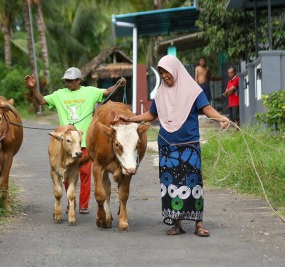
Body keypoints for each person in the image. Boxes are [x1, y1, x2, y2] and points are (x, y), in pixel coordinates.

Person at [114, 55, 230, 237]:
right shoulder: (161, 93)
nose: (164, 76)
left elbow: (207, 109)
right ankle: (177, 223)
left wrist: (221, 119)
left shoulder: (193, 91)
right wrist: (130, 118)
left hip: (189, 145)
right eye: (161, 73)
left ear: (175, 69)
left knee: (193, 184)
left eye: (166, 72)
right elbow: (151, 115)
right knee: (171, 185)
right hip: (168, 147)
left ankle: (198, 223)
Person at [25, 67, 126, 214]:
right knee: (66, 173)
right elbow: (41, 100)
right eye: (66, 81)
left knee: (85, 173)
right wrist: (33, 88)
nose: (68, 83)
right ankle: (70, 202)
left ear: (79, 80)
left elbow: (106, 92)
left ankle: (83, 205)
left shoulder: (90, 91)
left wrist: (118, 84)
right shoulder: (59, 94)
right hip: (66, 144)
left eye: (71, 81)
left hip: (84, 142)